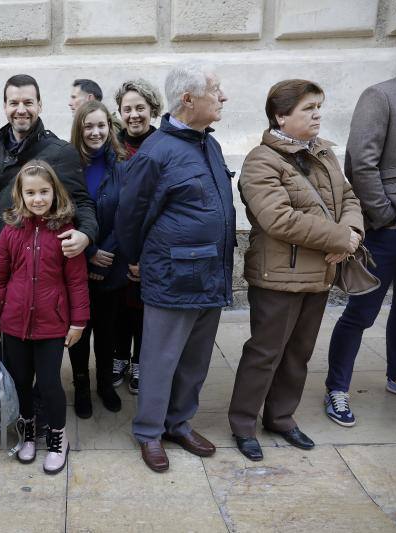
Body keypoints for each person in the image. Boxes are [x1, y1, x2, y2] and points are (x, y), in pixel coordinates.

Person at [228, 80, 364, 461]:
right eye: (308, 108)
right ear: (280, 116)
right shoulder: (260, 161)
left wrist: (351, 232)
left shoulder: (324, 152)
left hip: (319, 272)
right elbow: (279, 219)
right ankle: (243, 424)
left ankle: (281, 418)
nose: (318, 114)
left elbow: (349, 197)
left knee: (298, 353)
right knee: (265, 352)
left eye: (319, 107)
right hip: (278, 276)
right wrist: (338, 237)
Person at [116, 64, 233, 473]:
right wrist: (138, 260)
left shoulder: (209, 143)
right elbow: (130, 216)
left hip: (211, 274)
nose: (223, 97)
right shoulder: (156, 151)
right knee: (160, 359)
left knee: (195, 360)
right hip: (173, 276)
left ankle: (179, 423)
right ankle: (149, 431)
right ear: (188, 99)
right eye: (215, 90)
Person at [325, 23, 396, 424]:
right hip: (389, 227)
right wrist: (386, 217)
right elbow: (360, 163)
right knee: (362, 312)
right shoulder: (382, 95)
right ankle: (337, 389)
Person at [0, 160, 89, 474]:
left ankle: (58, 437)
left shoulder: (66, 233)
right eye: (30, 193)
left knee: (48, 383)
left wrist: (78, 321)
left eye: (44, 191)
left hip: (51, 324)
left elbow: (76, 281)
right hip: (14, 322)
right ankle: (28, 431)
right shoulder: (10, 232)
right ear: (20, 195)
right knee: (20, 381)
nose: (38, 199)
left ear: (54, 192)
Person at [0, 74, 97, 279]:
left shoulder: (61, 152)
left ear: (40, 105)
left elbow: (81, 202)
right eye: (14, 103)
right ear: (5, 107)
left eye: (28, 103)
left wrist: (86, 234)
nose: (21, 110)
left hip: (37, 271)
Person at [67, 100, 128, 418]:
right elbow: (63, 214)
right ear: (79, 129)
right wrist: (89, 251)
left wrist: (107, 251)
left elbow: (128, 213)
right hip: (77, 260)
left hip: (112, 262)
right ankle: (80, 386)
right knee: (79, 330)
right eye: (88, 126)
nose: (95, 132)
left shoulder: (122, 165)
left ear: (110, 127)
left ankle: (104, 383)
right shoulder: (68, 165)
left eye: (101, 125)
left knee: (107, 331)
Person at [111, 78, 164, 395]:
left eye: (140, 108)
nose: (133, 115)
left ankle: (140, 361)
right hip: (117, 241)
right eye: (127, 109)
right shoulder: (112, 146)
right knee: (119, 306)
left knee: (144, 307)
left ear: (152, 109)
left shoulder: (162, 144)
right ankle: (118, 356)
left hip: (151, 242)